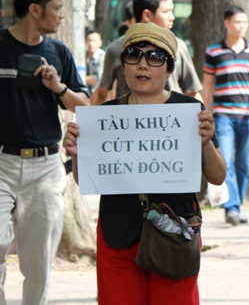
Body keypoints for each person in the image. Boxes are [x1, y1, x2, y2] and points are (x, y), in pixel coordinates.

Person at [63, 23, 226, 304]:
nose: (143, 65)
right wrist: (78, 153)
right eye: (133, 55)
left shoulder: (190, 112)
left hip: (174, 232)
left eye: (155, 57)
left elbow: (218, 176)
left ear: (170, 68)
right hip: (118, 231)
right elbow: (87, 180)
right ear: (123, 64)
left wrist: (205, 143)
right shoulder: (105, 115)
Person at [0, 0, 90, 305]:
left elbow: (85, 106)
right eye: (57, 7)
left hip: (46, 168)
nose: (62, 14)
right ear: (35, 10)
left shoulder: (59, 52)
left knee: (38, 261)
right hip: (1, 162)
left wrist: (58, 87)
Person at [202, 6, 249, 226]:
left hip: (247, 116)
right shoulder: (214, 51)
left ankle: (237, 206)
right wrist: (203, 110)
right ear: (227, 23)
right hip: (223, 116)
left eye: (245, 22)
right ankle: (232, 207)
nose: (242, 26)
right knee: (226, 161)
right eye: (237, 22)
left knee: (244, 163)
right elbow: (207, 85)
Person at [91, 0, 202, 105]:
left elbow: (192, 91)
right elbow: (101, 92)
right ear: (147, 15)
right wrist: (91, 116)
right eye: (133, 55)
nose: (172, 17)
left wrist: (203, 114)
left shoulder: (178, 47)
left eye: (156, 57)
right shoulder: (115, 49)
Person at [85, 29, 105, 96]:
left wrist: (81, 79)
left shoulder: (102, 56)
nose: (91, 43)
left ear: (100, 42)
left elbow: (98, 78)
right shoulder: (82, 56)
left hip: (98, 96)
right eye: (89, 40)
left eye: (94, 41)